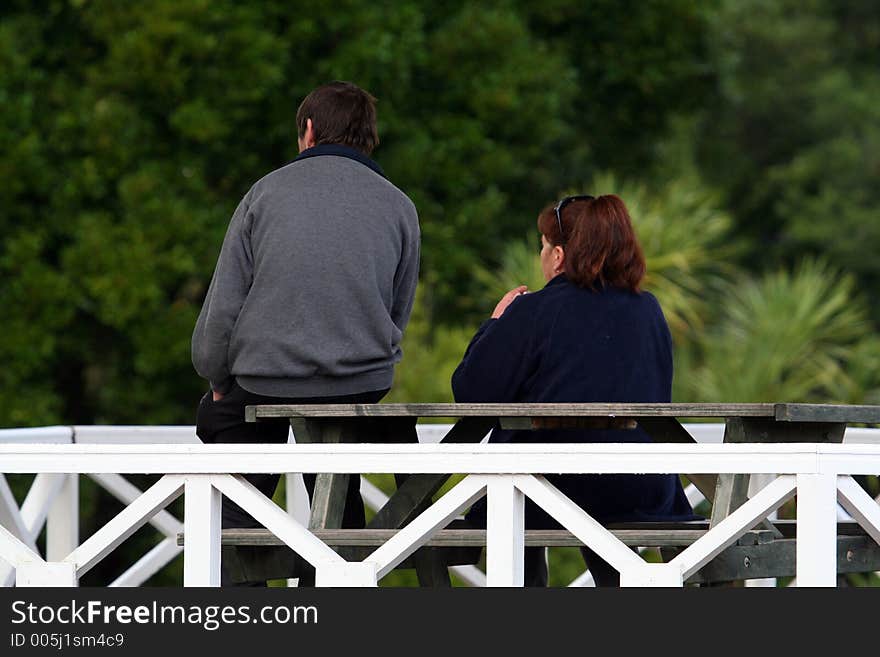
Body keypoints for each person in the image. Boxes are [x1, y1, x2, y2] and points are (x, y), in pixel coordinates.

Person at [192, 81, 420, 583]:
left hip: (264, 375)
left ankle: (245, 599)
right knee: (338, 495)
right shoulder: (399, 206)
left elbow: (222, 311)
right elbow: (398, 309)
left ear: (309, 131)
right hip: (357, 381)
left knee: (230, 481)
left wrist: (215, 375)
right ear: (369, 138)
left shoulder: (264, 194)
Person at [451, 194, 697, 586]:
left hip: (548, 490)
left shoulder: (536, 310)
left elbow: (470, 392)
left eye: (543, 248)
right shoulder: (648, 309)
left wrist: (495, 323)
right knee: (595, 510)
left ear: (560, 256)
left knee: (513, 496)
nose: (542, 257)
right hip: (639, 487)